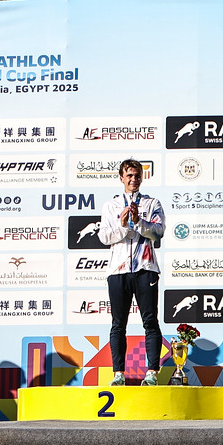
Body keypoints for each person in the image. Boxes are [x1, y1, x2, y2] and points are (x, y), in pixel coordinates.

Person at [98, 159, 164, 385]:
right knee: (118, 324)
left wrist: (139, 221)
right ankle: (118, 374)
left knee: (150, 321)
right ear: (121, 178)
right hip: (118, 271)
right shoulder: (111, 205)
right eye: (129, 176)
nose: (133, 179)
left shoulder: (152, 203)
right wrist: (124, 225)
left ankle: (152, 372)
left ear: (142, 178)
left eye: (137, 176)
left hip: (146, 268)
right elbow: (104, 237)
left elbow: (158, 232)